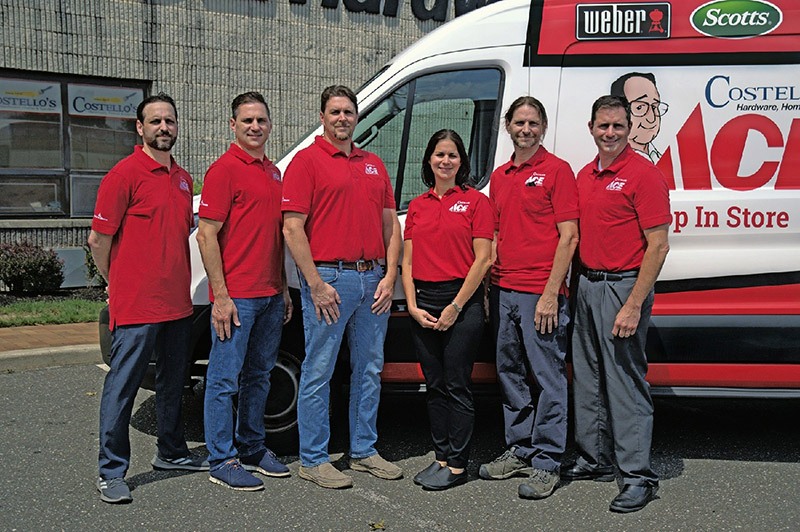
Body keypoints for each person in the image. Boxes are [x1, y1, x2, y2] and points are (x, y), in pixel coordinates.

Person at [88, 93, 208, 504]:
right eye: (155, 121)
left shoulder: (183, 179)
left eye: (169, 121)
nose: (163, 128)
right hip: (137, 305)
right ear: (140, 128)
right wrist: (116, 282)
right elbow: (98, 241)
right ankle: (111, 471)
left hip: (177, 303)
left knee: (173, 384)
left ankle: (171, 453)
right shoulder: (123, 176)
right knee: (121, 388)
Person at [282, 85, 403, 489]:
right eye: (335, 112)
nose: (342, 118)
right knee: (319, 370)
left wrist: (389, 276)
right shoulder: (306, 162)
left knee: (369, 369)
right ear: (322, 116)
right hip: (329, 280)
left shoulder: (373, 164)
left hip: (374, 280)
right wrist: (314, 284)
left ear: (356, 117)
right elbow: (292, 227)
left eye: (349, 112)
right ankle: (313, 459)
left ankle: (364, 451)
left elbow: (392, 225)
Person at [564, 95, 670, 513]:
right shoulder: (585, 175)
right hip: (587, 286)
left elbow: (658, 247)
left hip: (622, 288)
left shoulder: (643, 175)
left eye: (618, 127)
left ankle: (638, 477)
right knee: (588, 380)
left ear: (629, 130)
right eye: (603, 126)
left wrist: (633, 305)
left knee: (625, 384)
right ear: (591, 128)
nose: (610, 133)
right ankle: (595, 460)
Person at [479, 96, 579, 500]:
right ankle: (519, 448)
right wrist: (490, 287)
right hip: (504, 290)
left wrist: (551, 293)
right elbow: (497, 235)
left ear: (543, 127)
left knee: (549, 379)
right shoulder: (501, 176)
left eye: (533, 123)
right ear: (508, 126)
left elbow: (569, 236)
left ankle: (548, 461)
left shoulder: (557, 171)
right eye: (519, 122)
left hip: (541, 292)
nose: (526, 129)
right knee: (511, 375)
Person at [196, 92, 292, 491]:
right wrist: (220, 296)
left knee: (260, 376)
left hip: (270, 295)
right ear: (232, 125)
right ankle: (221, 457)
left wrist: (284, 289)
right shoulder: (223, 171)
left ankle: (252, 447)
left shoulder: (273, 172)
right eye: (247, 120)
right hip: (237, 298)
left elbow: (275, 237)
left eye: (261, 120)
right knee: (223, 380)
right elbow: (206, 235)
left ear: (270, 125)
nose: (255, 126)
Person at [401, 130, 494, 491]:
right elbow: (407, 265)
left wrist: (456, 306)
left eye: (452, 155)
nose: (445, 161)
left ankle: (457, 465)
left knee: (457, 384)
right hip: (423, 302)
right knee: (434, 385)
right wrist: (411, 305)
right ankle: (440, 457)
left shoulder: (475, 202)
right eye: (439, 154)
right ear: (428, 160)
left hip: (462, 302)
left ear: (461, 162)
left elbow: (483, 259)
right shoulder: (418, 206)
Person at [610, 72, 668, 162]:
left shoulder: (662, 160)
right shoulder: (611, 164)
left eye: (654, 106)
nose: (652, 118)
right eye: (640, 107)